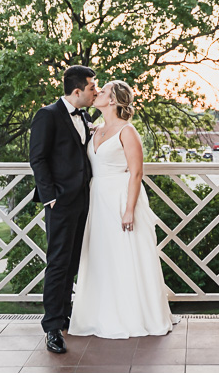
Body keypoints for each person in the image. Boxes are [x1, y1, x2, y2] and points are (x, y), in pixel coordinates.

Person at [68, 80, 179, 339]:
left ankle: (134, 316)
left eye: (103, 91)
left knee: (126, 256)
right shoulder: (95, 129)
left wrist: (129, 209)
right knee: (101, 257)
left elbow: (136, 172)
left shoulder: (127, 131)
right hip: (98, 200)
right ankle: (100, 314)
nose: (97, 93)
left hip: (121, 198)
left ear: (114, 100)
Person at [29, 65, 98, 354]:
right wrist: (50, 197)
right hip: (59, 202)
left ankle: (67, 315)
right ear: (77, 90)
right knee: (58, 264)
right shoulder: (47, 115)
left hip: (84, 200)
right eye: (93, 87)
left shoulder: (84, 115)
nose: (96, 91)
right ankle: (53, 327)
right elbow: (38, 158)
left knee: (72, 263)